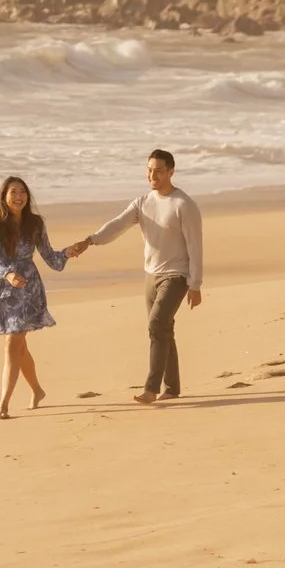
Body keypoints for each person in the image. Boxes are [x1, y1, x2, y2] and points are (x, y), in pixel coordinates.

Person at [65, 148, 202, 404]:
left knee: (156, 325)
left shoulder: (184, 205)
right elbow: (117, 225)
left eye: (159, 170)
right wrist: (89, 241)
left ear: (171, 172)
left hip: (177, 275)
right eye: (149, 170)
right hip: (151, 275)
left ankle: (151, 388)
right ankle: (172, 387)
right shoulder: (143, 202)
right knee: (164, 329)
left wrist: (195, 284)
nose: (153, 175)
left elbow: (195, 246)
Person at [0, 175, 67, 419]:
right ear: (4, 197)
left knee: (12, 344)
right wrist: (8, 275)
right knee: (19, 346)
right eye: (13, 192)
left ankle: (3, 403)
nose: (18, 196)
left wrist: (70, 252)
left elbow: (51, 258)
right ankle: (38, 390)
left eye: (22, 192)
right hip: (3, 287)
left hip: (28, 288)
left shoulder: (35, 223)